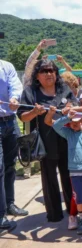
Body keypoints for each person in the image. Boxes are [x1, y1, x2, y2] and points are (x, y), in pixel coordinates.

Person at [17, 59, 77, 225]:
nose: (49, 74)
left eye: (51, 70)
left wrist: (71, 108)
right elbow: (22, 116)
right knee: (49, 177)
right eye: (44, 71)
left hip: (66, 139)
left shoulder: (63, 88)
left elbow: (76, 106)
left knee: (68, 176)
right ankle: (54, 213)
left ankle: (73, 211)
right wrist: (34, 112)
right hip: (45, 141)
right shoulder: (31, 92)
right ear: (37, 75)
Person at [0, 59, 26, 231]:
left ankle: (10, 204)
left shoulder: (6, 66)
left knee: (10, 166)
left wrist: (15, 97)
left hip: (10, 121)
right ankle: (1, 215)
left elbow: (15, 84)